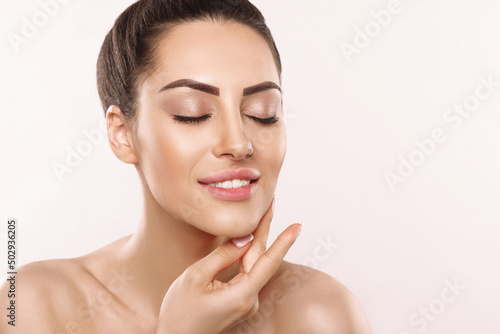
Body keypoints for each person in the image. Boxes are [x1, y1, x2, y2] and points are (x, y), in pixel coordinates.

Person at [0, 0, 372, 333]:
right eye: (192, 114)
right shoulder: (31, 304)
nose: (239, 143)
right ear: (122, 134)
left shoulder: (319, 314)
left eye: (263, 114)